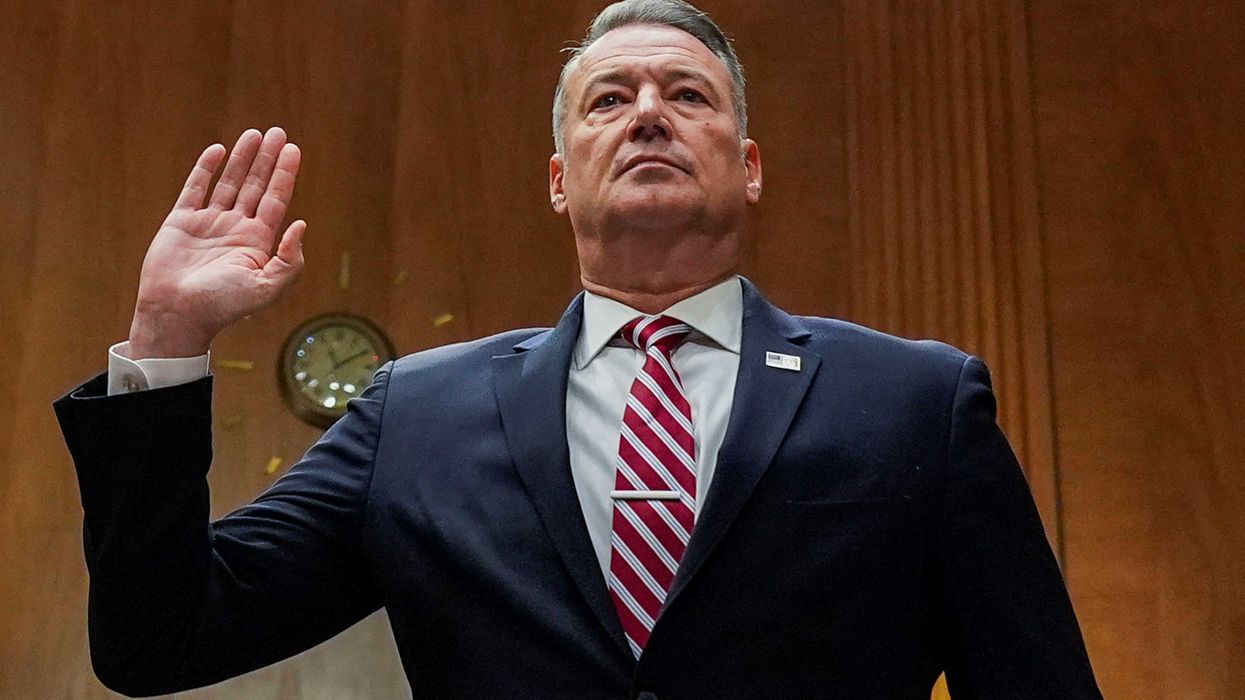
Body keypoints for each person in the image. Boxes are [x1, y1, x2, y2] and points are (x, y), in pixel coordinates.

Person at [53, 1, 1102, 697]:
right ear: (560, 180)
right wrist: (169, 338)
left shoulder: (914, 401)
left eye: (687, 95)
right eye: (609, 100)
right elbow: (158, 638)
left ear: (748, 168)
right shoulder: (414, 415)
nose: (647, 114)